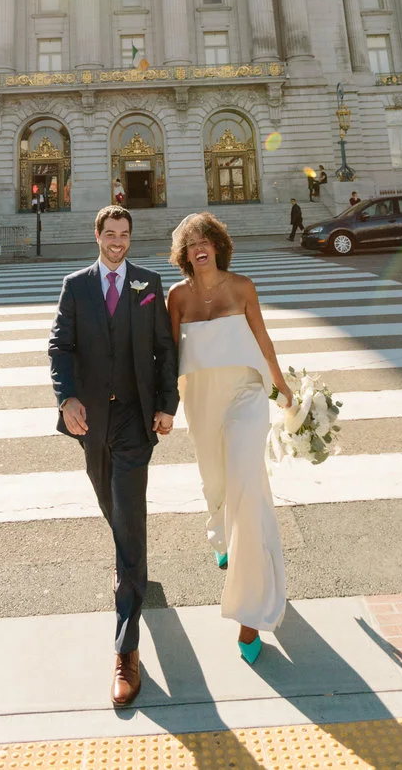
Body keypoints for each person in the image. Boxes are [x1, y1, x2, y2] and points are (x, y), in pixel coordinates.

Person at [47, 205, 178, 708]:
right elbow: (59, 346)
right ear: (97, 235)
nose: (118, 242)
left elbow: (165, 350)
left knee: (130, 515)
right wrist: (67, 396)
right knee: (113, 506)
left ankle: (126, 650)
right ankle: (134, 565)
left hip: (135, 421)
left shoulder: (148, 284)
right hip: (91, 422)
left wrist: (168, 406)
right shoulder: (75, 285)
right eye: (110, 234)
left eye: (125, 235)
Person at [167, 212, 292, 665]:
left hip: (245, 395)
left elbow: (263, 342)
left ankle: (249, 612)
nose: (199, 247)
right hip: (201, 399)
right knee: (216, 483)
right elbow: (167, 355)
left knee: (244, 486)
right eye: (191, 242)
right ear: (184, 253)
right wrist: (162, 408)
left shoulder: (242, 288)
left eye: (206, 239)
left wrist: (283, 391)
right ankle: (222, 536)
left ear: (218, 244)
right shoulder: (177, 297)